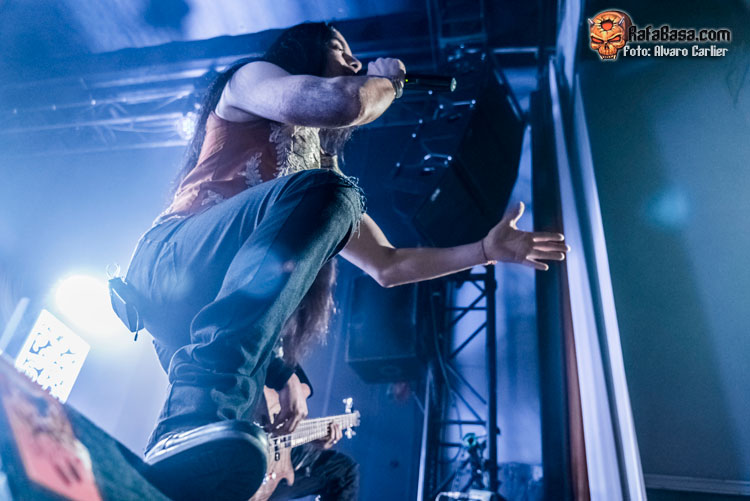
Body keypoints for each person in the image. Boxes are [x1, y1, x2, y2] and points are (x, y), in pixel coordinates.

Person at [123, 21, 568, 501]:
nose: (354, 62)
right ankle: (189, 418)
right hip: (170, 266)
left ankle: (185, 450)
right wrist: (388, 82)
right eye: (339, 50)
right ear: (302, 51)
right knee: (335, 193)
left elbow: (388, 264)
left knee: (283, 461)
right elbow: (342, 103)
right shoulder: (250, 80)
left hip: (198, 322)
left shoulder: (319, 170)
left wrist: (483, 252)